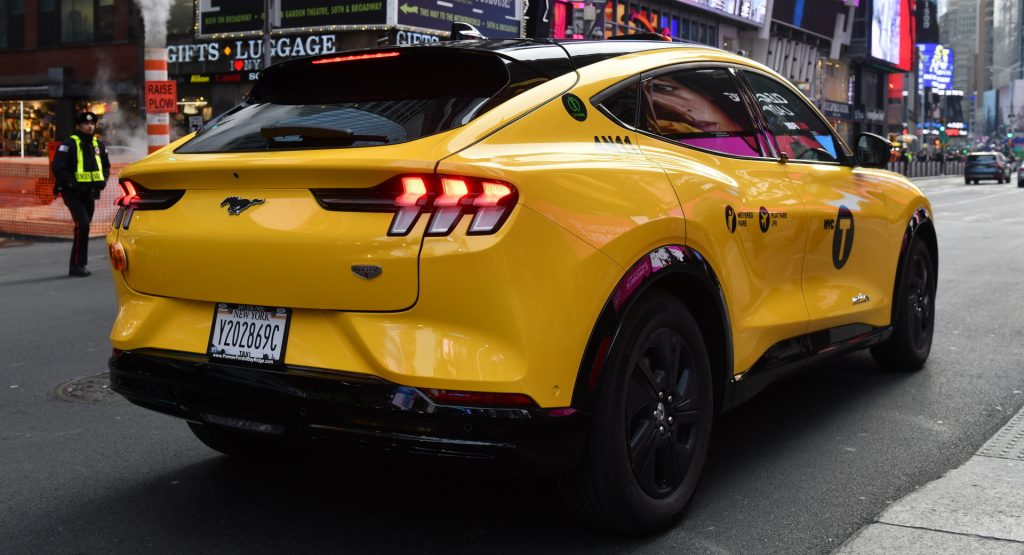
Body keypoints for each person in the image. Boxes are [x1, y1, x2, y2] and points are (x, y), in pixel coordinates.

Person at [52, 111, 110, 277]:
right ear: (78, 125)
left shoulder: (98, 145)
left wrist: (103, 181)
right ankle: (78, 265)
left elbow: (105, 166)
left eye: (92, 123)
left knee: (83, 228)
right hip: (73, 193)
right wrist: (72, 184)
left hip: (90, 193)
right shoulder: (70, 144)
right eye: (85, 123)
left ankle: (77, 264)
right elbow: (58, 168)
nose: (90, 126)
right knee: (83, 225)